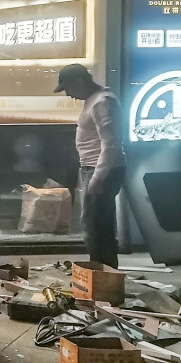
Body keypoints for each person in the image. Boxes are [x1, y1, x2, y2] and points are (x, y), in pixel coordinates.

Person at [54, 63, 128, 268]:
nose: (68, 95)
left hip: (101, 170)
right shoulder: (94, 100)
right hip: (93, 168)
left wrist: (98, 178)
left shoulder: (102, 102)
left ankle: (102, 272)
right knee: (96, 224)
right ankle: (102, 270)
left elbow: (111, 144)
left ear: (79, 82)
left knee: (95, 226)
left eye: (68, 88)